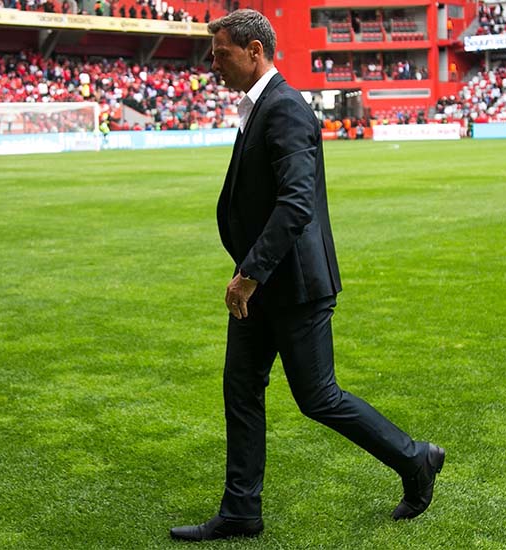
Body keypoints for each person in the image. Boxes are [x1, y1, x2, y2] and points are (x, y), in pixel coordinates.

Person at [169, 9, 444, 542]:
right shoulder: (261, 107)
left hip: (290, 286)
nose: (213, 64)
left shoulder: (285, 109)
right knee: (241, 390)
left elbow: (296, 204)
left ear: (254, 51)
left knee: (318, 397)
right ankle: (241, 510)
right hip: (263, 282)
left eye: (221, 53)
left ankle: (416, 460)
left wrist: (249, 273)